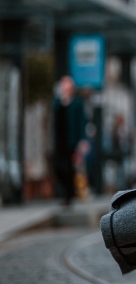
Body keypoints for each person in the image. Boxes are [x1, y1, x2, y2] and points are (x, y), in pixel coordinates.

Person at [52, 75, 88, 207]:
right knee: (58, 167)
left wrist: (82, 140)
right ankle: (67, 194)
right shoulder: (57, 102)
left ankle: (68, 196)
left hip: (71, 141)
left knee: (69, 168)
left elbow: (81, 122)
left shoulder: (77, 103)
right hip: (59, 141)